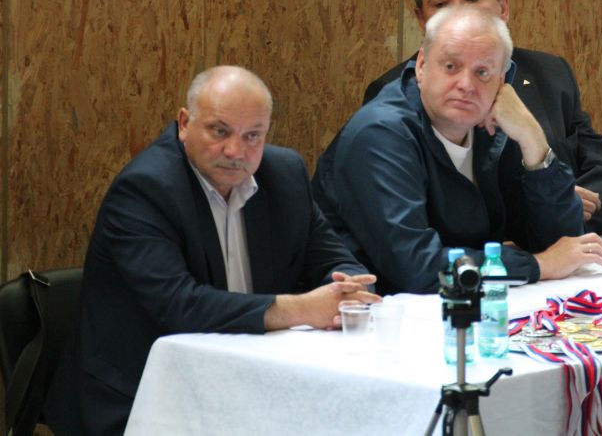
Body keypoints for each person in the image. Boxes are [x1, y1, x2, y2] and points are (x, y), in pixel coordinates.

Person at [45, 66, 380, 435]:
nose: (235, 151)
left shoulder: (284, 176)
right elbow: (181, 306)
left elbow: (334, 257)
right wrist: (302, 308)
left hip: (248, 381)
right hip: (144, 394)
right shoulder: (145, 190)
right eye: (220, 131)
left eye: (252, 136)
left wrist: (348, 293)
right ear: (184, 124)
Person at [313, 6, 602, 295]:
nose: (466, 84)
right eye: (451, 67)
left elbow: (563, 242)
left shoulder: (492, 127)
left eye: (482, 72)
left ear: (501, 82)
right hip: (373, 313)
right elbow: (415, 266)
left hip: (463, 305)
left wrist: (533, 139)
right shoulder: (380, 133)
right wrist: (538, 265)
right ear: (421, 65)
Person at [364, 0, 602, 236]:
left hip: (569, 241)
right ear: (422, 20)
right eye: (440, 4)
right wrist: (540, 231)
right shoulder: (396, 94)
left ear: (503, 7)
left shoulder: (550, 73)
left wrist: (567, 211)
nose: (459, 12)